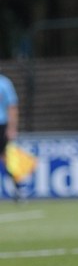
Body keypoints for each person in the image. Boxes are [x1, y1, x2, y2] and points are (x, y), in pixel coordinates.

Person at [0, 70, 20, 201]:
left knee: (4, 158)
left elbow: (12, 107)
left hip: (1, 125)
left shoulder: (4, 83)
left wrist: (12, 128)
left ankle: (16, 189)